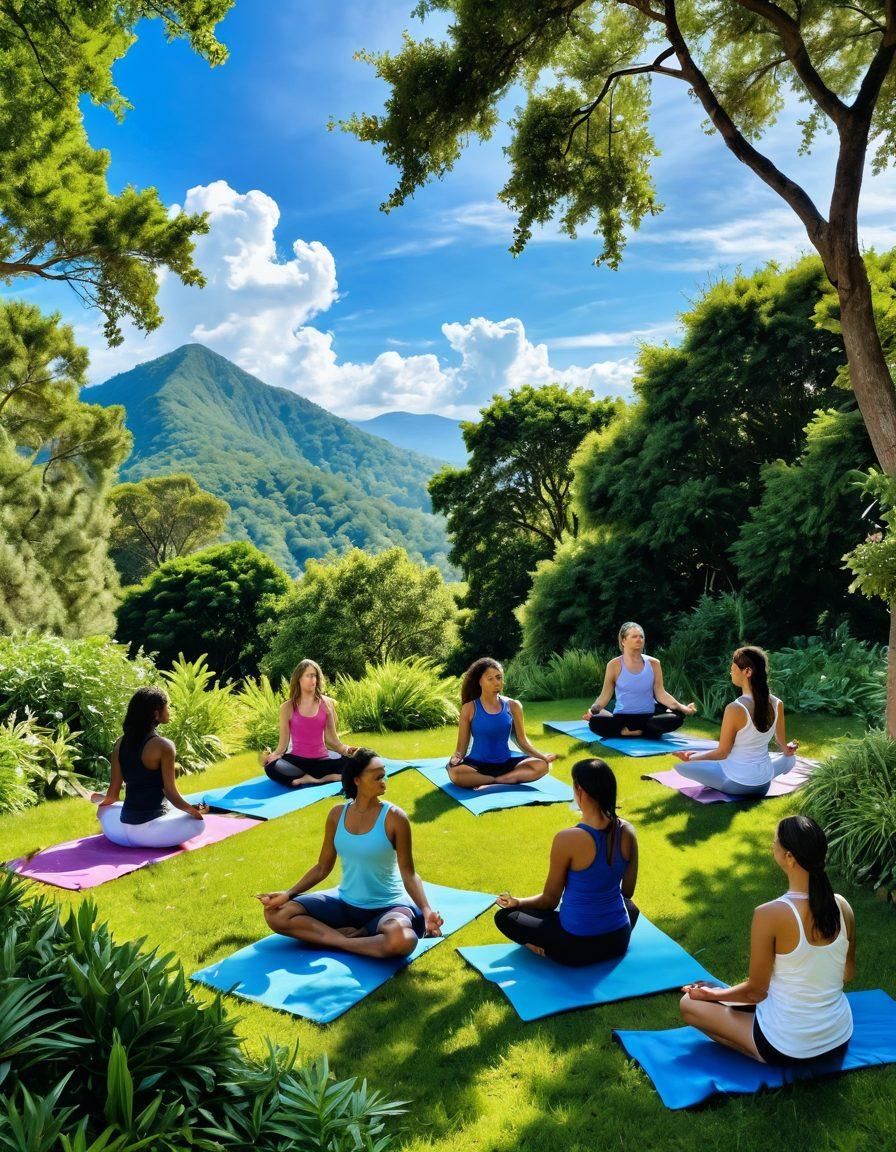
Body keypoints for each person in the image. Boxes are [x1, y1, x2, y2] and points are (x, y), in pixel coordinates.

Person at [680, 815, 855, 1065]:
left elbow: (754, 993)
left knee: (689, 1004)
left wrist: (710, 996)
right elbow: (847, 974)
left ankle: (755, 1051)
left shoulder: (770, 914)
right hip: (838, 1035)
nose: (772, 844)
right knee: (715, 991)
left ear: (790, 858)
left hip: (788, 1045)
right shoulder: (843, 906)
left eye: (775, 841)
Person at [257, 749, 443, 957]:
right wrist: (288, 894)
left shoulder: (394, 818)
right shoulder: (337, 814)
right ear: (357, 780)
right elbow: (322, 867)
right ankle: (346, 939)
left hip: (388, 908)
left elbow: (408, 873)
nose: (384, 780)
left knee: (402, 940)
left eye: (384, 775)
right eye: (378, 776)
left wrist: (426, 910)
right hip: (345, 902)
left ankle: (338, 940)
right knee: (276, 913)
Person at [494, 758, 639, 966]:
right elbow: (628, 892)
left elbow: (549, 901)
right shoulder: (628, 831)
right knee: (629, 907)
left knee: (507, 917)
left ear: (580, 791)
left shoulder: (567, 839)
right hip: (619, 939)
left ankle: (541, 949)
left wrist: (518, 902)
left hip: (576, 949)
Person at [672, 645, 799, 796]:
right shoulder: (777, 703)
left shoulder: (735, 708)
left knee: (682, 767)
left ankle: (693, 761)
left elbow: (722, 753)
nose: (730, 671)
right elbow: (781, 741)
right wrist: (787, 749)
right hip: (764, 783)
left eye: (733, 667)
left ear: (747, 671)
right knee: (789, 758)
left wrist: (691, 758)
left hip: (738, 784)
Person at [95, 686, 208, 848]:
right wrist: (196, 813)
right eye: (167, 707)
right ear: (156, 713)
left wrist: (101, 808)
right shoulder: (164, 746)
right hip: (151, 833)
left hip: (121, 832)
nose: (169, 710)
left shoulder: (120, 743)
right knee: (199, 824)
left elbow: (112, 796)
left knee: (111, 809)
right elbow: (171, 793)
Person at [447, 657, 557, 788]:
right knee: (456, 773)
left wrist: (543, 757)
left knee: (542, 766)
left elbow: (522, 741)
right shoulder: (469, 708)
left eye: (499, 677)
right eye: (490, 679)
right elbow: (461, 749)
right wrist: (455, 760)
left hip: (507, 764)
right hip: (477, 765)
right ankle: (499, 780)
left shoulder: (514, 706)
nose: (496, 683)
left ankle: (493, 780)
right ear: (479, 681)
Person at [583, 622, 696, 739]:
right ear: (623, 641)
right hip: (622, 718)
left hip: (648, 718)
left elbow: (661, 694)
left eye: (641, 636)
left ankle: (628, 732)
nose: (639, 639)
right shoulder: (614, 665)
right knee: (595, 722)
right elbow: (605, 695)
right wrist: (594, 709)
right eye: (634, 636)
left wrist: (683, 708)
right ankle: (640, 732)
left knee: (678, 716)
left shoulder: (654, 663)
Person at [262, 659, 357, 787]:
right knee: (270, 767)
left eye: (315, 675)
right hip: (297, 761)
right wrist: (274, 755)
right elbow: (282, 745)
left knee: (359, 762)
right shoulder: (287, 707)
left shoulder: (327, 703)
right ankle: (324, 777)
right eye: (309, 675)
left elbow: (332, 740)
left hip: (322, 760)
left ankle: (315, 779)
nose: (313, 679)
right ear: (299, 679)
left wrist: (347, 750)